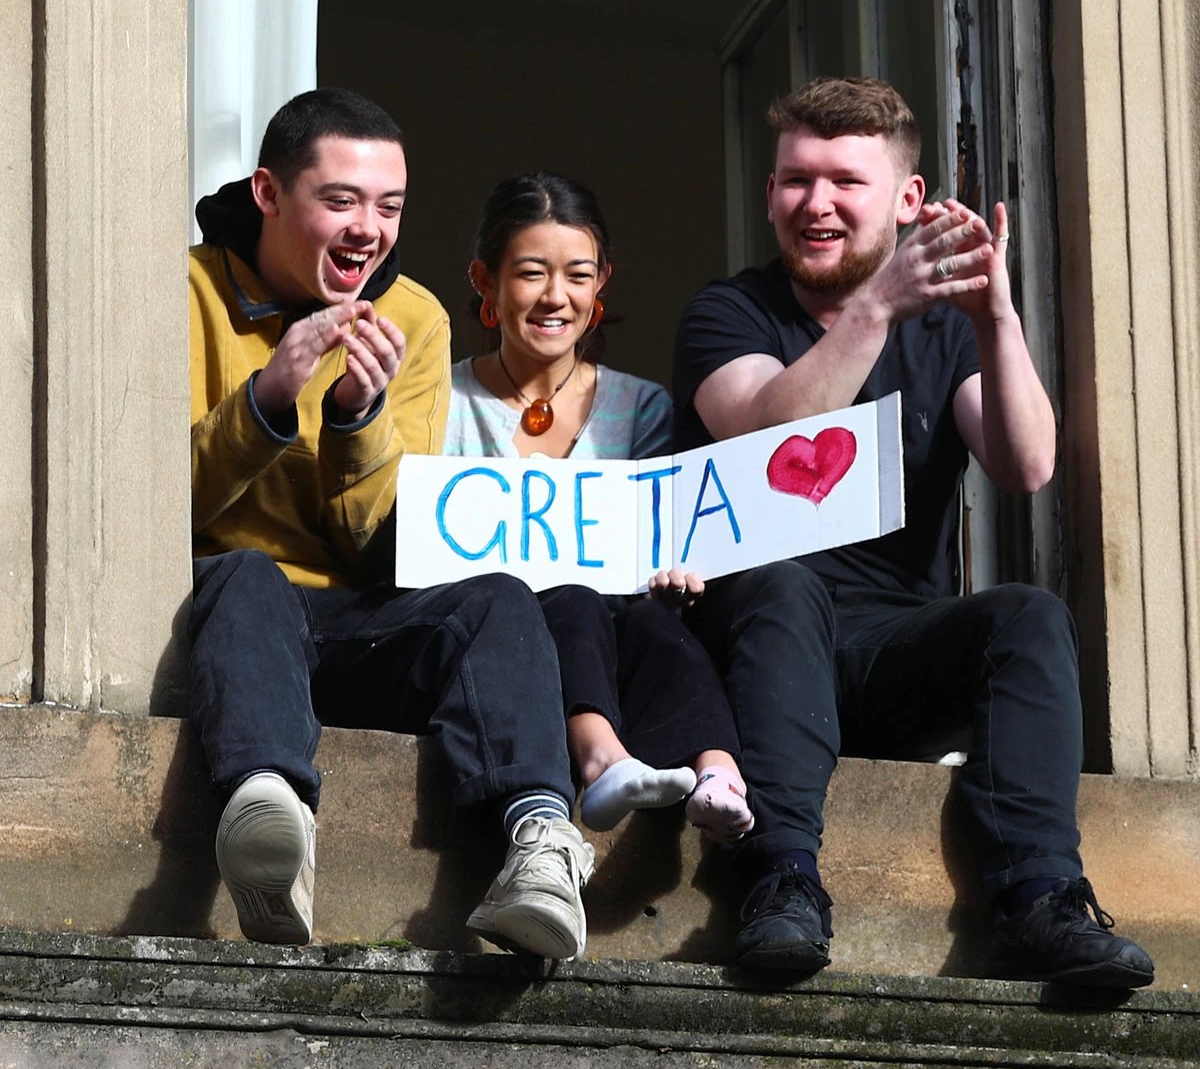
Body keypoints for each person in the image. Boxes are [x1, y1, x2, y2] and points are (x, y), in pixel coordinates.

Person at [672, 77, 1155, 989]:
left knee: (1028, 617)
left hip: (891, 648)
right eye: (793, 180)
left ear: (907, 201)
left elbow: (1027, 466)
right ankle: (779, 882)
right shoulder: (728, 311)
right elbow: (763, 436)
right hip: (756, 652)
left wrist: (996, 320)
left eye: (844, 182)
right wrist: (875, 311)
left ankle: (1041, 898)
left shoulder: (943, 333)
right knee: (780, 579)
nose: (814, 203)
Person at [189, 89, 593, 960]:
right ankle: (269, 817)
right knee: (249, 573)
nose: (369, 228)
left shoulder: (412, 316)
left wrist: (352, 417)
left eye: (389, 206)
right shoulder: (186, 291)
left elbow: (378, 542)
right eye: (341, 201)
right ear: (269, 192)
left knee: (496, 598)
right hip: (230, 614)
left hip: (355, 617)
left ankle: (542, 847)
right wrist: (264, 400)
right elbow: (159, 506)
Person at [444, 171, 754, 842]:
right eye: (531, 273)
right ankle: (601, 759)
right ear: (485, 281)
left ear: (602, 282)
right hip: (498, 642)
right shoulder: (440, 403)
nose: (556, 297)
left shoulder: (641, 407)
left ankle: (718, 771)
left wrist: (670, 574)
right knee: (573, 597)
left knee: (653, 625)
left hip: (612, 633)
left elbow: (649, 540)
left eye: (578, 275)